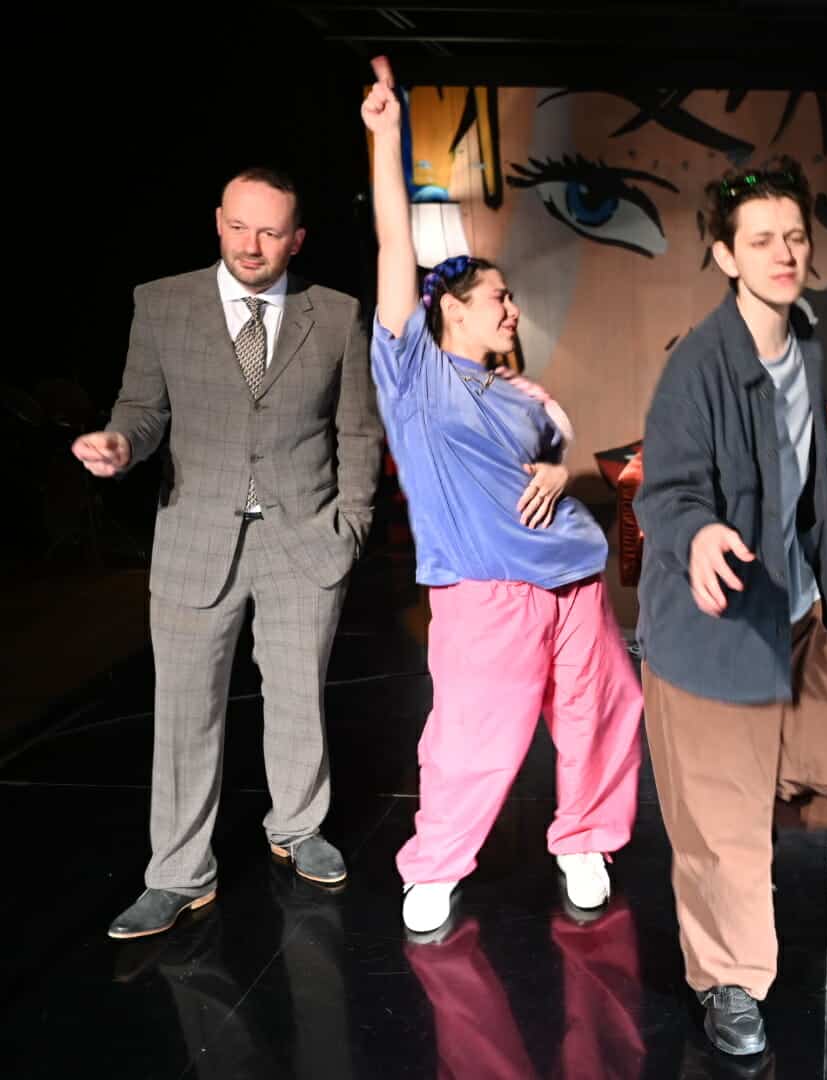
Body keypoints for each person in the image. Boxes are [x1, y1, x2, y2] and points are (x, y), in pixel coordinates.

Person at [361, 56, 643, 934]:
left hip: (573, 578)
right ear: (451, 308)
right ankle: (438, 864)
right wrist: (386, 137)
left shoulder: (524, 392)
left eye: (512, 297)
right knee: (475, 736)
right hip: (485, 588)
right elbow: (395, 245)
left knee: (600, 713)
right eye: (498, 297)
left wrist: (559, 472)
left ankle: (586, 840)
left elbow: (557, 454)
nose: (511, 309)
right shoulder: (414, 374)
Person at [74, 163, 383, 940]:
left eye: (270, 231)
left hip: (303, 538)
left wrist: (351, 526)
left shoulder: (336, 313)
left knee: (299, 695)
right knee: (184, 711)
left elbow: (357, 430)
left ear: (296, 238)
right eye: (239, 226)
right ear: (218, 221)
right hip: (195, 535)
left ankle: (299, 826)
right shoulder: (162, 303)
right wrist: (122, 443)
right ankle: (178, 875)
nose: (252, 245)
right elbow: (141, 407)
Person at [633, 155, 827, 1057]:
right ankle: (730, 980)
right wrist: (699, 533)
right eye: (760, 241)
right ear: (725, 255)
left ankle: (721, 825)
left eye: (794, 237)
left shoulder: (804, 339)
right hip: (713, 632)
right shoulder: (698, 364)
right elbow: (665, 491)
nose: (783, 254)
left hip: (792, 617)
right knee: (729, 837)